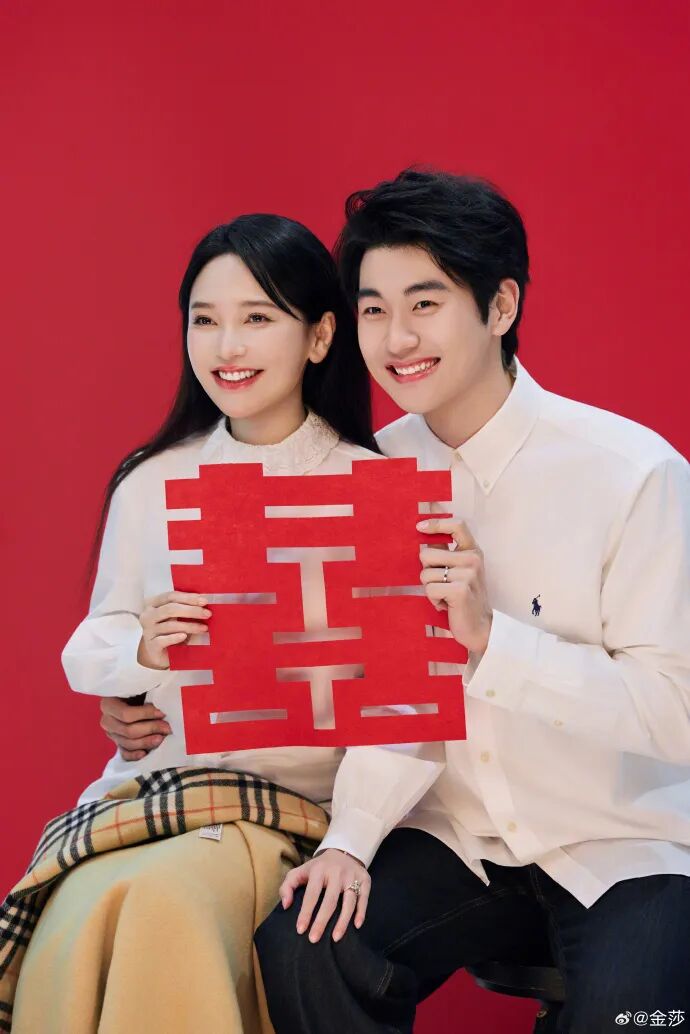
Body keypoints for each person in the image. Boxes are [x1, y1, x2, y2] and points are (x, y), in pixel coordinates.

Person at [250, 171, 690, 1033]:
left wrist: (493, 643)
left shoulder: (634, 474)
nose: (397, 338)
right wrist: (153, 699)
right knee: (305, 946)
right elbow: (343, 680)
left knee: (636, 1018)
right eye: (373, 309)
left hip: (620, 843)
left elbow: (677, 712)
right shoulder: (365, 472)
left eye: (426, 303)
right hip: (458, 839)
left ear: (500, 306)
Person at [2, 213, 439, 1034]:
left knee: (159, 905)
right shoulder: (152, 480)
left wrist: (350, 839)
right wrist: (141, 651)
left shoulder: (376, 489)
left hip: (295, 814)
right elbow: (94, 641)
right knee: (75, 910)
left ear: (320, 337)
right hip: (158, 792)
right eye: (205, 321)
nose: (227, 347)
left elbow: (406, 706)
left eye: (257, 318)